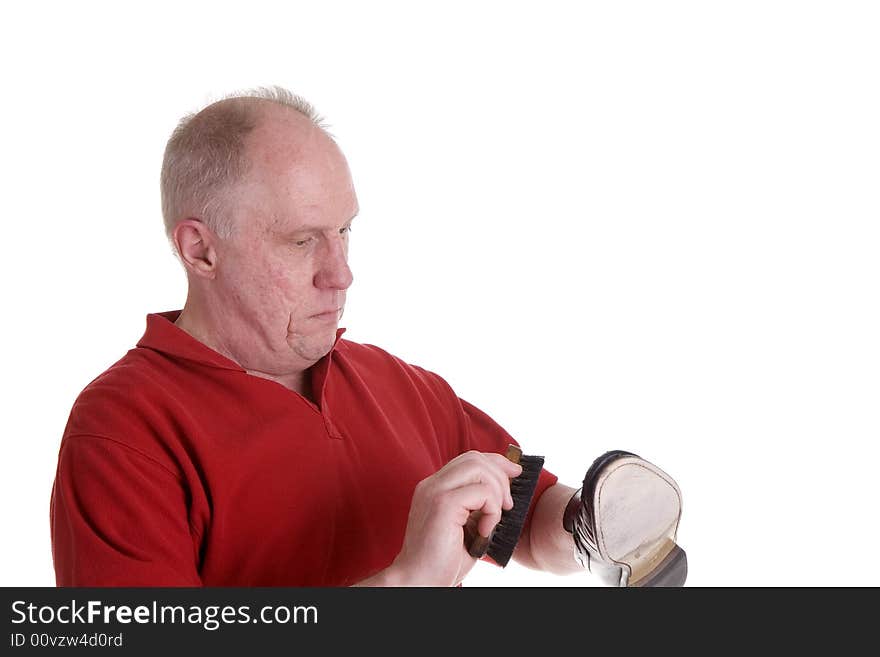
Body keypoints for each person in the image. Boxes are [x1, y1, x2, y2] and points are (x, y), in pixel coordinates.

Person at [50, 86, 686, 587]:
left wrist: (590, 527)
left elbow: (528, 526)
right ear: (200, 250)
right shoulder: (121, 433)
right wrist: (406, 584)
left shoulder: (400, 387)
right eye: (302, 241)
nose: (342, 273)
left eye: (344, 231)